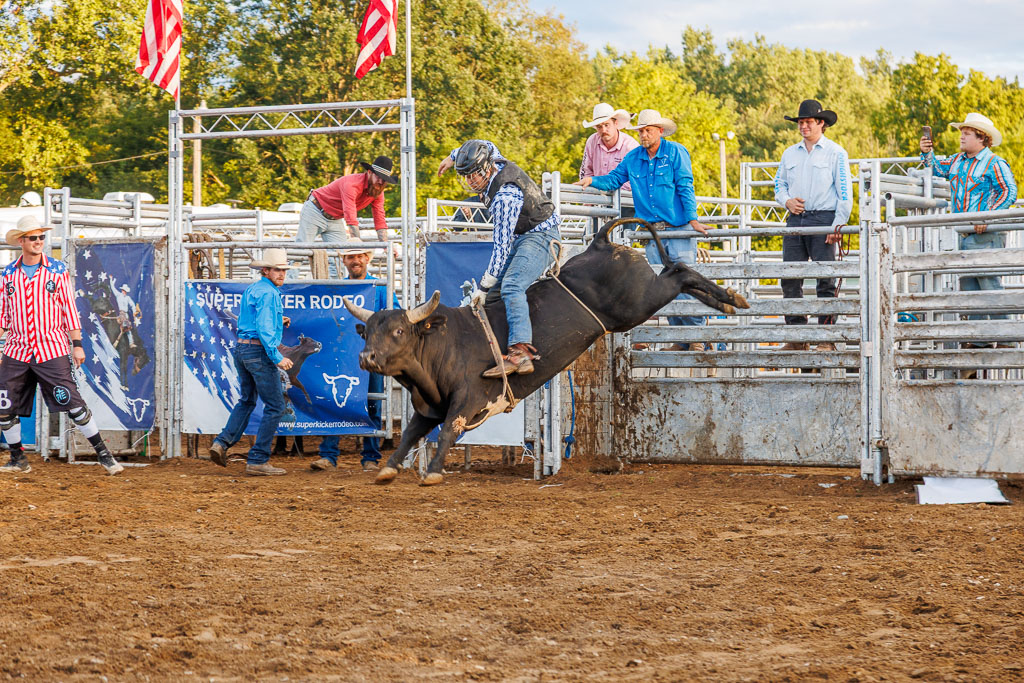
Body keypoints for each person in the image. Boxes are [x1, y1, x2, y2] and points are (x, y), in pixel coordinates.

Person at [575, 109, 712, 351]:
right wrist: (592, 180)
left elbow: (685, 185)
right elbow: (614, 179)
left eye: (648, 130)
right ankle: (682, 339)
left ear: (660, 131)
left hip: (678, 228)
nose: (643, 135)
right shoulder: (634, 157)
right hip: (652, 232)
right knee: (662, 286)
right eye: (641, 131)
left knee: (683, 282)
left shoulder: (675, 152)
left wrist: (693, 220)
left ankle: (696, 336)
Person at [0, 216, 124, 475]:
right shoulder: (8, 274)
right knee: (3, 404)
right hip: (16, 349)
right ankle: (17, 458)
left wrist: (77, 344)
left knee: (72, 402)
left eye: (41, 237)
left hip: (52, 348)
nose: (38, 242)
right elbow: (3, 317)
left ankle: (104, 455)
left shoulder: (56, 270)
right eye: (33, 238)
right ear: (21, 241)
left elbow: (69, 309)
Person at [438, 140, 561, 377]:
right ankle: (487, 348)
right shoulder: (491, 155)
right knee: (495, 295)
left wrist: (483, 287)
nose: (470, 181)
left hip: (542, 236)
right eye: (465, 176)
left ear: (486, 169)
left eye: (473, 175)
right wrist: (453, 157)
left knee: (512, 286)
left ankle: (520, 353)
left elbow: (501, 249)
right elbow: (486, 143)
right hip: (525, 235)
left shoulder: (505, 197)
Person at [920, 112, 1017, 345]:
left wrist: (988, 216)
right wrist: (926, 153)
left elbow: (1009, 191)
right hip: (964, 233)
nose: (961, 137)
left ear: (982, 138)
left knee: (989, 285)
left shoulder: (994, 163)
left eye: (967, 133)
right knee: (970, 287)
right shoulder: (957, 160)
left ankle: (1007, 338)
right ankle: (979, 340)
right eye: (962, 133)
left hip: (986, 234)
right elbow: (936, 168)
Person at [310, 247, 399, 472]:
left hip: (371, 355)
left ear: (367, 259)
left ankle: (370, 457)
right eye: (351, 257)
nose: (355, 260)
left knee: (372, 404)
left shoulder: (380, 288)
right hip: (343, 355)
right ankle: (329, 455)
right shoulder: (339, 288)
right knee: (335, 402)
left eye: (360, 256)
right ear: (344, 261)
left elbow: (396, 315)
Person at [773, 99, 852, 351]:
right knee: (790, 278)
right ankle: (797, 336)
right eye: (800, 122)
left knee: (825, 280)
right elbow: (779, 184)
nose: (803, 126)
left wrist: (837, 225)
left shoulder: (836, 153)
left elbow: (845, 192)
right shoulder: (789, 153)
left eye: (808, 122)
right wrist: (787, 201)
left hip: (824, 219)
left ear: (821, 123)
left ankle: (825, 338)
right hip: (796, 218)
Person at [208, 248, 295, 476]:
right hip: (259, 352)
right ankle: (257, 459)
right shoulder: (270, 294)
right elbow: (264, 329)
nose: (281, 274)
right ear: (265, 270)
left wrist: (278, 320)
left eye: (283, 270)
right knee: (275, 406)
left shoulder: (253, 289)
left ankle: (222, 442)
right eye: (277, 270)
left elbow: (254, 320)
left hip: (243, 349)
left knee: (247, 400)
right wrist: (277, 357)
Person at [293, 155, 398, 277]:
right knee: (301, 250)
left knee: (339, 258)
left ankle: (336, 288)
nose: (380, 182)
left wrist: (386, 246)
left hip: (335, 218)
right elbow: (350, 216)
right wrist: (358, 247)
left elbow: (379, 218)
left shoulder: (378, 192)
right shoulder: (352, 184)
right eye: (378, 177)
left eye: (384, 180)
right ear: (369, 172)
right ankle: (286, 285)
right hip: (315, 210)